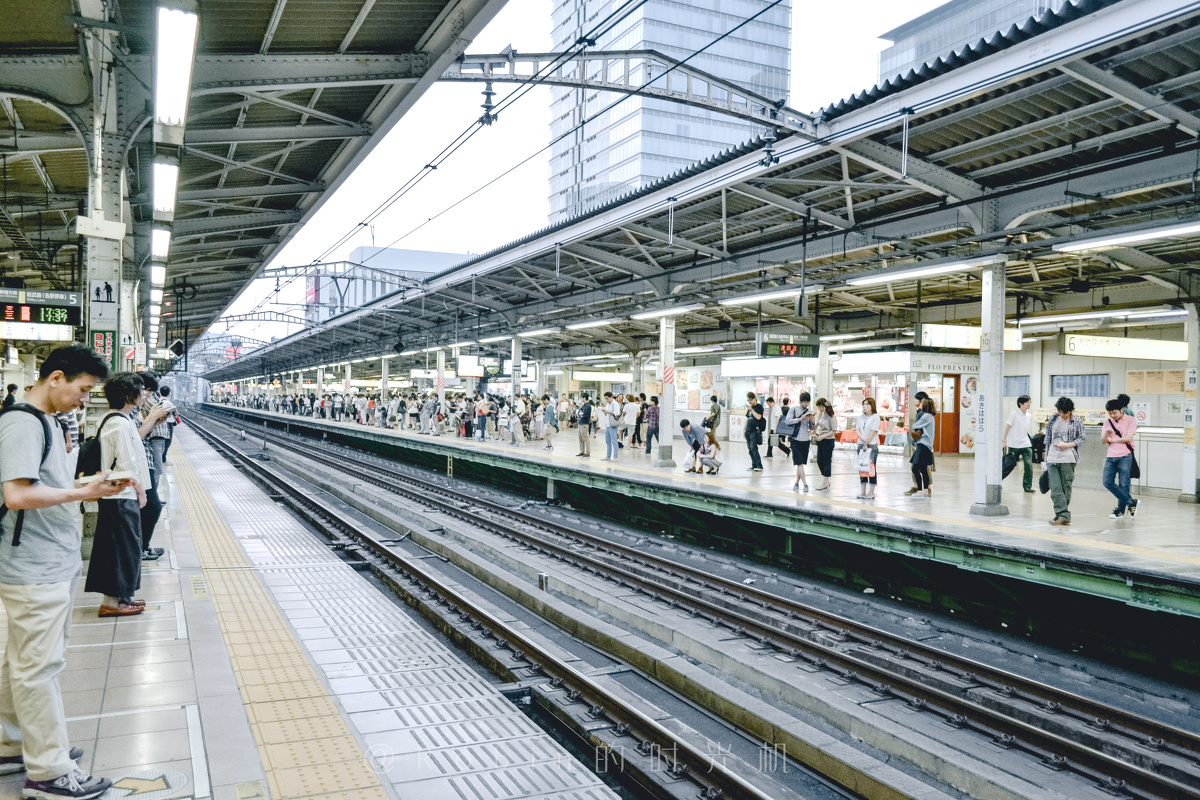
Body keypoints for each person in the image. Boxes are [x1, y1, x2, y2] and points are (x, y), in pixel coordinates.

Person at [0, 344, 125, 798]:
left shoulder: (46, 422)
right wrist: (77, 496)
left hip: (47, 561)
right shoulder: (22, 422)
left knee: (22, 661)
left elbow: (42, 486)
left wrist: (87, 486)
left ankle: (11, 744)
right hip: (34, 567)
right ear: (56, 378)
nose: (84, 399)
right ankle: (49, 772)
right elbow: (17, 494)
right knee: (39, 668)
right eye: (82, 389)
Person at [86, 372, 152, 619]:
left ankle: (122, 597)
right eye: (140, 389)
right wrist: (140, 491)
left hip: (120, 495)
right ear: (129, 394)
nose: (144, 393)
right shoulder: (119, 423)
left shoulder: (118, 419)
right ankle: (113, 602)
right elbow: (127, 462)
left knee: (124, 547)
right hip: (120, 495)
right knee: (121, 548)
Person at [1045, 396, 1085, 526]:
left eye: (1064, 412)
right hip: (1052, 457)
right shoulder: (1053, 418)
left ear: (1070, 411)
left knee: (1065, 488)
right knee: (1055, 488)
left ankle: (1061, 515)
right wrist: (1045, 457)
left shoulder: (1077, 421)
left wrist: (1068, 445)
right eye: (1060, 412)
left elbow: (1081, 438)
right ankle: (1063, 515)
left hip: (1068, 457)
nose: (1061, 414)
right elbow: (1048, 438)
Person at [1102, 398, 1140, 519]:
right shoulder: (1108, 422)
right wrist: (1105, 436)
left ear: (1121, 410)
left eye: (1115, 413)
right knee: (1107, 482)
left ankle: (1120, 511)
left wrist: (1113, 440)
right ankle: (1131, 502)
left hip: (1125, 455)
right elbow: (1103, 441)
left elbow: (1128, 437)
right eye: (1110, 413)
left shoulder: (1130, 420)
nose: (1112, 415)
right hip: (1111, 456)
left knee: (1124, 484)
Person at [1002, 395, 1035, 493]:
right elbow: (1007, 427)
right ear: (1021, 404)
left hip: (1026, 444)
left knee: (1029, 465)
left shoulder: (1029, 416)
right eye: (1027, 402)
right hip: (1014, 445)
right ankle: (997, 481)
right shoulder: (1014, 414)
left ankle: (1027, 487)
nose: (1029, 404)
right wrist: (1004, 441)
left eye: (1030, 402)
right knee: (1009, 465)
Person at [907, 398, 936, 497]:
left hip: (923, 444)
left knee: (915, 467)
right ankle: (925, 491)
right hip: (926, 445)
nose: (920, 405)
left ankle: (919, 490)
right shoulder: (931, 416)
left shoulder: (926, 416)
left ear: (925, 405)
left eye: (921, 404)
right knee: (923, 468)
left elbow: (915, 425)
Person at [784, 393, 813, 491]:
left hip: (806, 440)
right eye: (804, 402)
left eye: (807, 402)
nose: (806, 404)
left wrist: (812, 421)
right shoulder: (794, 409)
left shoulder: (810, 411)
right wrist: (800, 419)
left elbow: (812, 428)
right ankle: (805, 484)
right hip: (795, 439)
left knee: (801, 464)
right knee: (799, 463)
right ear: (801, 401)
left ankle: (796, 483)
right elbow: (787, 421)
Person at [856, 398, 880, 499]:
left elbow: (873, 431)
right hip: (861, 445)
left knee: (871, 467)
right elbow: (857, 429)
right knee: (862, 468)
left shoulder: (876, 417)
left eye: (867, 404)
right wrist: (862, 439)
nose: (865, 406)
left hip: (871, 445)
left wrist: (867, 441)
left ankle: (871, 491)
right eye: (863, 404)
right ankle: (863, 491)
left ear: (872, 405)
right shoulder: (860, 417)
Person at [812, 398, 836, 491]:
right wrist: (814, 431)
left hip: (828, 440)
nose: (818, 408)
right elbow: (816, 425)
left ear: (823, 406)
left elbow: (833, 431)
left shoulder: (831, 417)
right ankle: (826, 479)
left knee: (826, 461)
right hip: (820, 439)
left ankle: (825, 481)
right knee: (819, 460)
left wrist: (823, 436)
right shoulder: (821, 416)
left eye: (819, 406)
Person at [744, 392, 764, 472]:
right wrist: (744, 429)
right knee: (750, 449)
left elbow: (758, 417)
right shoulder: (749, 408)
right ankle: (754, 464)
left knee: (753, 448)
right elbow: (747, 418)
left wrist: (751, 410)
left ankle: (759, 465)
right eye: (748, 400)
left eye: (751, 400)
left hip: (754, 431)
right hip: (748, 431)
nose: (750, 402)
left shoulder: (759, 407)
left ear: (755, 398)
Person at [599, 392, 620, 461]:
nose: (606, 400)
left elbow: (617, 413)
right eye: (605, 399)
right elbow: (607, 414)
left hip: (613, 425)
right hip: (608, 425)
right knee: (607, 441)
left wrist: (608, 412)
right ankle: (608, 456)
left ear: (611, 397)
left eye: (607, 398)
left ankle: (615, 456)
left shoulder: (615, 404)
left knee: (614, 441)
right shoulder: (608, 404)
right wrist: (605, 412)